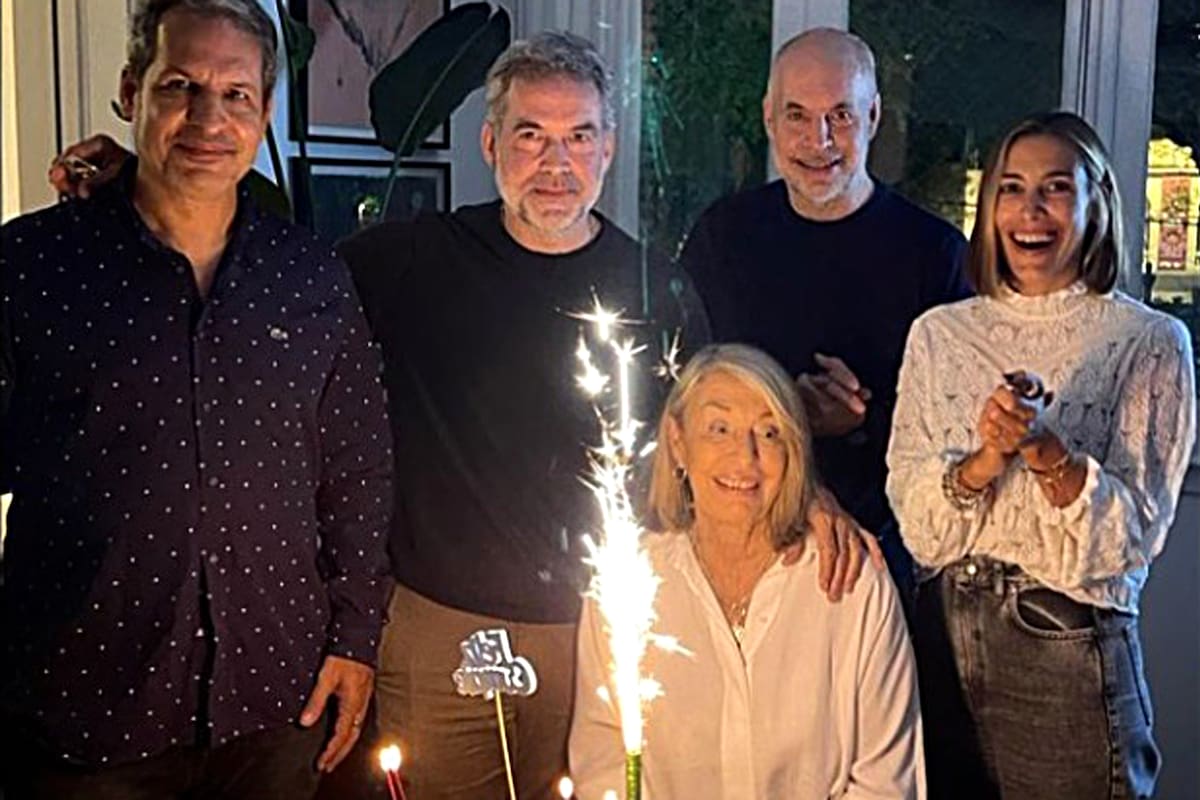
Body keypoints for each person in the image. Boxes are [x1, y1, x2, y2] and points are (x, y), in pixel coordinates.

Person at [49, 31, 880, 799]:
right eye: (530, 135)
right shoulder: (407, 261)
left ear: (608, 148)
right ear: (491, 146)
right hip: (442, 634)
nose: (556, 162)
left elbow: (725, 428)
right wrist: (144, 179)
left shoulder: (657, 286)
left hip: (606, 626)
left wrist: (815, 495)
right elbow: (260, 264)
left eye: (580, 136)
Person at [0, 1, 393, 798]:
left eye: (236, 94)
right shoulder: (33, 267)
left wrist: (356, 638)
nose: (208, 118)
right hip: (84, 710)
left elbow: (359, 468)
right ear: (130, 91)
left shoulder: (310, 278)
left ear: (264, 112)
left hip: (274, 704)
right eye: (180, 85)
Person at [886, 111, 1196, 799]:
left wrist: (1046, 450)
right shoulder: (940, 334)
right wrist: (987, 459)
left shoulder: (1147, 342)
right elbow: (919, 525)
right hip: (939, 640)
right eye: (1012, 188)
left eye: (1056, 187)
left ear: (1096, 202)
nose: (1031, 210)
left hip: (1064, 648)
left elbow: (1129, 540)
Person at [680, 28, 969, 601]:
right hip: (740, 542)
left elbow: (960, 428)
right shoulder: (722, 237)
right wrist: (784, 411)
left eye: (840, 115)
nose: (819, 140)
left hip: (883, 558)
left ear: (874, 117)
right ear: (768, 118)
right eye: (797, 115)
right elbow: (685, 390)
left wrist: (863, 422)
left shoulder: (934, 253)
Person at [570, 344, 923, 799]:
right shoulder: (626, 582)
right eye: (719, 429)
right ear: (678, 442)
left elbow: (886, 780)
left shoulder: (852, 583)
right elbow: (603, 758)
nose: (745, 457)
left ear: (794, 450)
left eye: (770, 432)